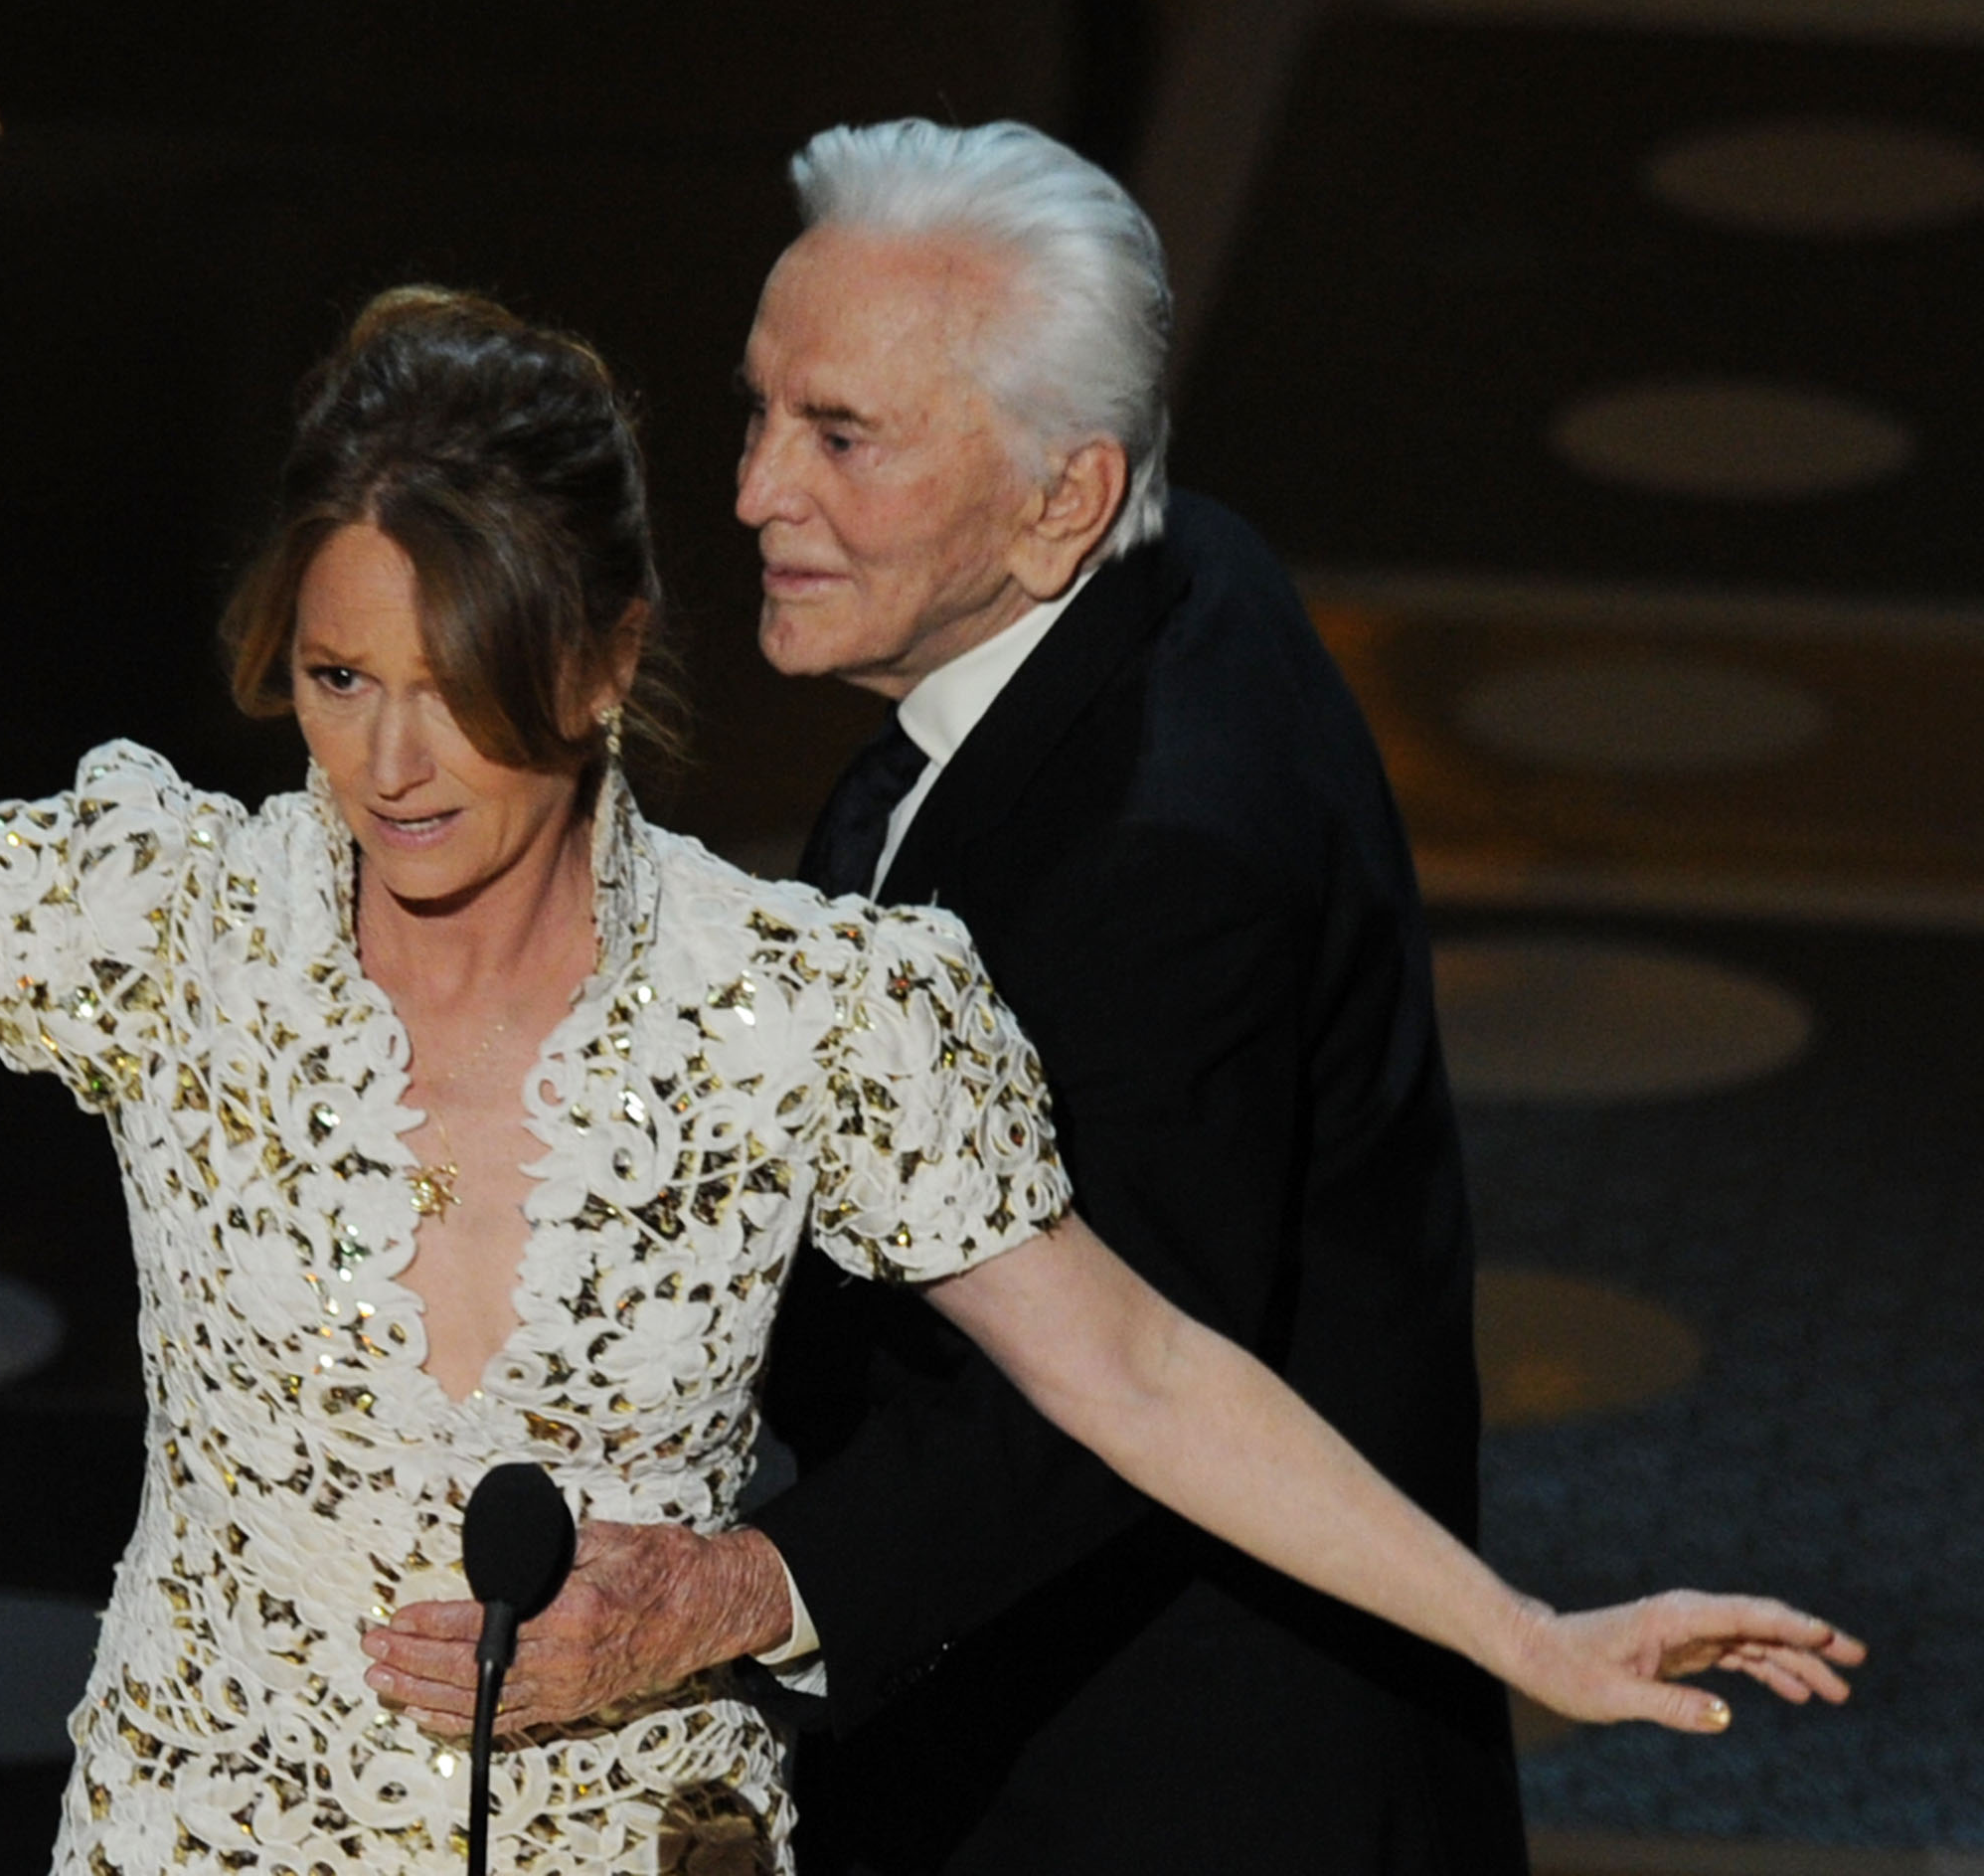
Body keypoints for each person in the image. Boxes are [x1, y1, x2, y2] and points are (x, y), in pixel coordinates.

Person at [0, 205, 1857, 1876]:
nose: (391, 764)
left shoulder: (805, 1007)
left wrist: (1532, 1634)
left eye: (459, 687)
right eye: (339, 680)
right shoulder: (180, 922)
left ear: (610, 653)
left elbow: (1141, 1372)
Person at [356, 119, 1747, 1875]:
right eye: (759, 411)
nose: (757, 491)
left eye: (842, 436)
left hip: (1177, 1793)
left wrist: (734, 1592)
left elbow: (1102, 1383)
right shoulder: (1155, 584)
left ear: (1063, 496)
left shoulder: (1161, 853)